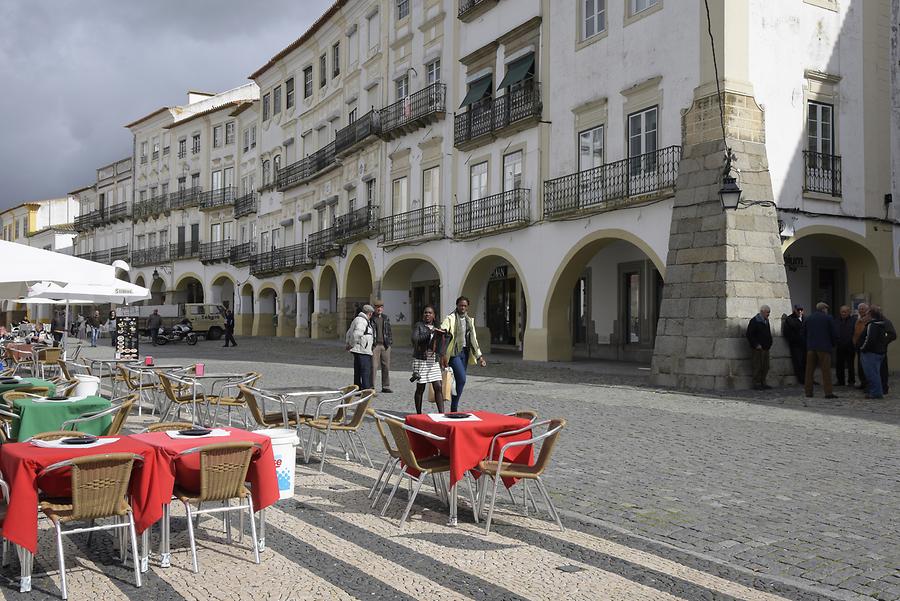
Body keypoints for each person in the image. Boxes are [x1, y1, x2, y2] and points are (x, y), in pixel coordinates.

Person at [440, 296, 486, 412]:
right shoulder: (450, 318)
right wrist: (444, 330)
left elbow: (473, 339)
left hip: (465, 353)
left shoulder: (469, 321)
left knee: (460, 381)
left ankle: (454, 406)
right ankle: (454, 407)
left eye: (465, 306)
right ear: (457, 305)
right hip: (454, 353)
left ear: (467, 307)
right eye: (461, 305)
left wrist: (479, 357)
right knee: (462, 379)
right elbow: (443, 328)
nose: (463, 307)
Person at [411, 305, 447, 414]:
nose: (427, 315)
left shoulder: (437, 326)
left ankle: (441, 413)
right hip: (421, 360)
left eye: (430, 313)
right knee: (420, 388)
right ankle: (418, 414)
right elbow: (415, 339)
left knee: (438, 386)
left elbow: (442, 344)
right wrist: (429, 333)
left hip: (433, 361)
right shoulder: (419, 326)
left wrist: (443, 335)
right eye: (425, 313)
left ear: (434, 316)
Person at [804, 302, 837, 399]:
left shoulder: (809, 318)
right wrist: (833, 344)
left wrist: (808, 342)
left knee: (809, 371)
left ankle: (808, 392)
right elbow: (833, 332)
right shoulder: (828, 318)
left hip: (811, 347)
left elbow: (803, 332)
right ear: (824, 309)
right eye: (826, 309)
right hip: (824, 347)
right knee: (826, 370)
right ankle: (828, 392)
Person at [858, 306, 889, 399]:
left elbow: (870, 339)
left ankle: (875, 393)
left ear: (870, 315)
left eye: (867, 314)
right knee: (875, 374)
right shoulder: (881, 324)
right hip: (879, 352)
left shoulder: (872, 325)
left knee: (872, 374)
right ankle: (877, 392)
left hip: (871, 353)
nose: (865, 315)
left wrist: (862, 348)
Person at [345, 304, 375, 390]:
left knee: (358, 371)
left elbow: (349, 333)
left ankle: (357, 388)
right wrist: (351, 344)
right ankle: (365, 390)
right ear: (369, 314)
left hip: (359, 349)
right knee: (365, 371)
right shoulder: (362, 321)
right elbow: (357, 334)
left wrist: (349, 344)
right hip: (362, 350)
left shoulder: (358, 319)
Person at [869, 305, 896, 395]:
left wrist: (883, 342)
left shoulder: (886, 322)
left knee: (882, 369)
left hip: (881, 350)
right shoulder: (872, 321)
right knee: (874, 370)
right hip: (872, 350)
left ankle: (884, 387)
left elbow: (892, 335)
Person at [746, 305, 773, 390]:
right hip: (758, 348)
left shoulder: (766, 321)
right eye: (767, 312)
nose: (768, 314)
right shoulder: (755, 321)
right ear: (762, 311)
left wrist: (769, 343)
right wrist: (756, 344)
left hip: (766, 347)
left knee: (766, 366)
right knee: (757, 366)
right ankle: (756, 383)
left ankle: (763, 382)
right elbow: (749, 334)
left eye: (769, 312)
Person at [370, 300, 393, 393]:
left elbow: (389, 330)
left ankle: (385, 386)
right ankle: (371, 387)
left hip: (385, 345)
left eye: (381, 307)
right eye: (377, 307)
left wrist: (390, 342)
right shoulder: (371, 318)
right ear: (374, 308)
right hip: (375, 345)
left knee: (386, 366)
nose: (379, 309)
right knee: (374, 366)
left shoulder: (385, 318)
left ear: (382, 308)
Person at [781, 305, 806, 383]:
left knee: (806, 361)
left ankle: (807, 378)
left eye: (801, 310)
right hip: (796, 345)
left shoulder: (805, 318)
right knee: (798, 362)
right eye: (798, 310)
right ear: (794, 310)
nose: (799, 311)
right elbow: (787, 332)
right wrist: (794, 340)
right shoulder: (790, 319)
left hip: (805, 344)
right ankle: (801, 379)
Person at [834, 305, 857, 387]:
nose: (843, 313)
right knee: (839, 364)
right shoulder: (836, 320)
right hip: (840, 345)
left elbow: (855, 333)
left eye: (845, 312)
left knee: (850, 365)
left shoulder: (854, 320)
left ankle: (851, 381)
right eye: (842, 312)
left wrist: (853, 342)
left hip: (850, 346)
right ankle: (840, 381)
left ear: (849, 312)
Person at [852, 303, 870, 390]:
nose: (861, 310)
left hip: (865, 345)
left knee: (865, 366)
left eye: (863, 309)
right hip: (858, 345)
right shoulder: (858, 319)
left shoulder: (868, 319)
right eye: (860, 309)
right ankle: (863, 382)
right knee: (860, 366)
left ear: (867, 310)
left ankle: (867, 384)